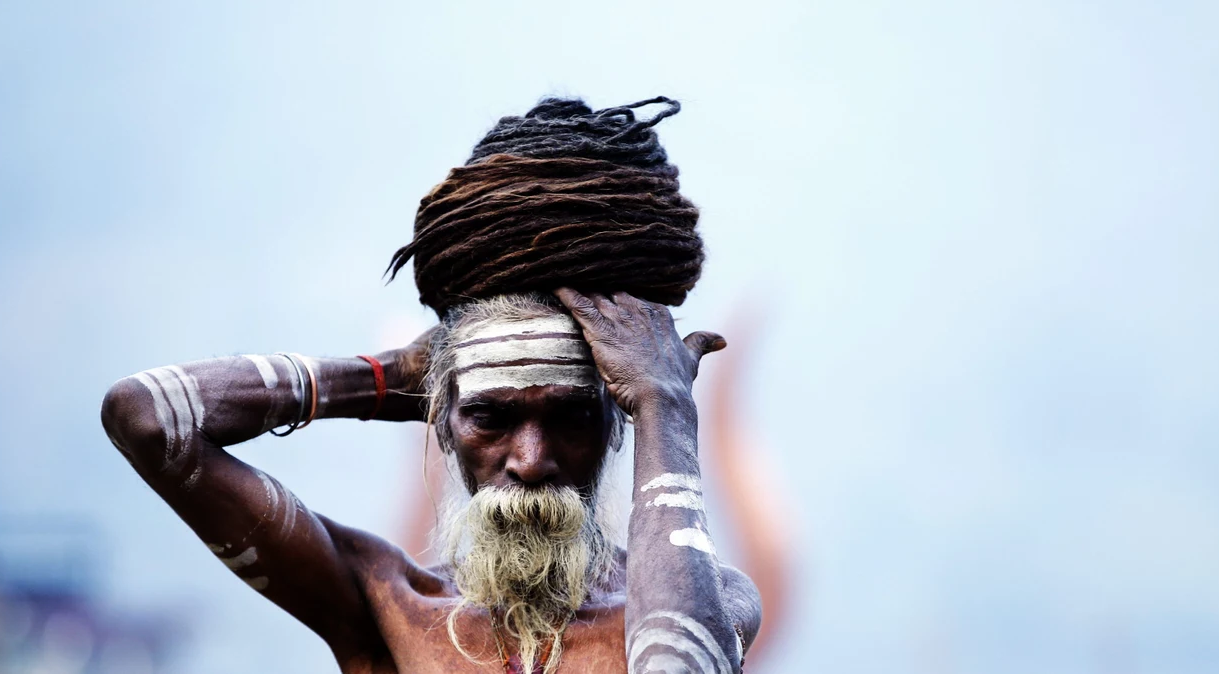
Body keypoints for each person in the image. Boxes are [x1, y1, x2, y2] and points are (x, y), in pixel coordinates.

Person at [100, 97, 762, 674]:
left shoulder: (714, 602)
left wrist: (664, 404)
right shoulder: (389, 605)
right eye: (490, 417)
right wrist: (387, 378)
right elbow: (147, 416)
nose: (531, 460)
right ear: (440, 418)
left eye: (570, 417)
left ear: (617, 418)